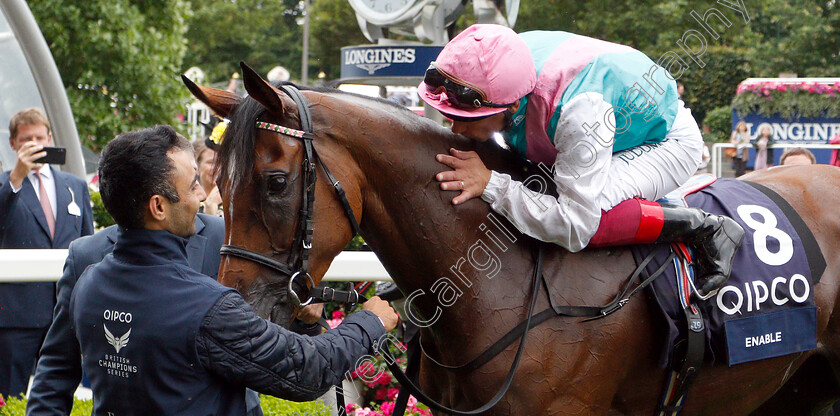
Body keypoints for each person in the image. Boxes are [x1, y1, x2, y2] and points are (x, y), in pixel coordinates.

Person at [68, 125, 397, 415]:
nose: (203, 194)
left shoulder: (89, 283)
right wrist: (369, 322)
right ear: (158, 207)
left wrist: (305, 322)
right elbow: (305, 370)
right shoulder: (204, 306)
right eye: (194, 183)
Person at [419, 24, 744, 300]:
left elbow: (575, 226)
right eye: (450, 116)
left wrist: (492, 184)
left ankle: (705, 228)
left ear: (511, 104)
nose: (456, 128)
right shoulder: (495, 58)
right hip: (600, 124)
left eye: (465, 118)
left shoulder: (578, 111)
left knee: (585, 212)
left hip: (663, 141)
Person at [0, 108, 93, 399]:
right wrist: (17, 177)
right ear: (13, 144)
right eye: (27, 139)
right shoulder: (6, 184)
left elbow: (87, 242)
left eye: (40, 137)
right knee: (11, 396)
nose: (35, 144)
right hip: (17, 315)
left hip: (65, 313)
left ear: (50, 139)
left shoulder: (75, 187)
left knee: (61, 392)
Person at [192, 137, 223, 216]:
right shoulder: (191, 203)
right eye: (211, 162)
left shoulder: (234, 203)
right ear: (197, 167)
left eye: (221, 162)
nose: (217, 168)